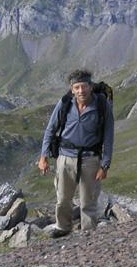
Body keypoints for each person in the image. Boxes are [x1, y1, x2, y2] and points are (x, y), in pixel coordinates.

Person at [39, 69, 114, 238]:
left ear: (90, 86)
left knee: (88, 200)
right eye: (77, 87)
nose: (81, 91)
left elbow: (109, 136)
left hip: (91, 159)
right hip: (65, 158)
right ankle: (63, 227)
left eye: (84, 86)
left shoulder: (102, 105)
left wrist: (105, 165)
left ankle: (88, 233)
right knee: (62, 198)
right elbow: (50, 129)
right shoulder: (65, 103)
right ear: (72, 90)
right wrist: (43, 157)